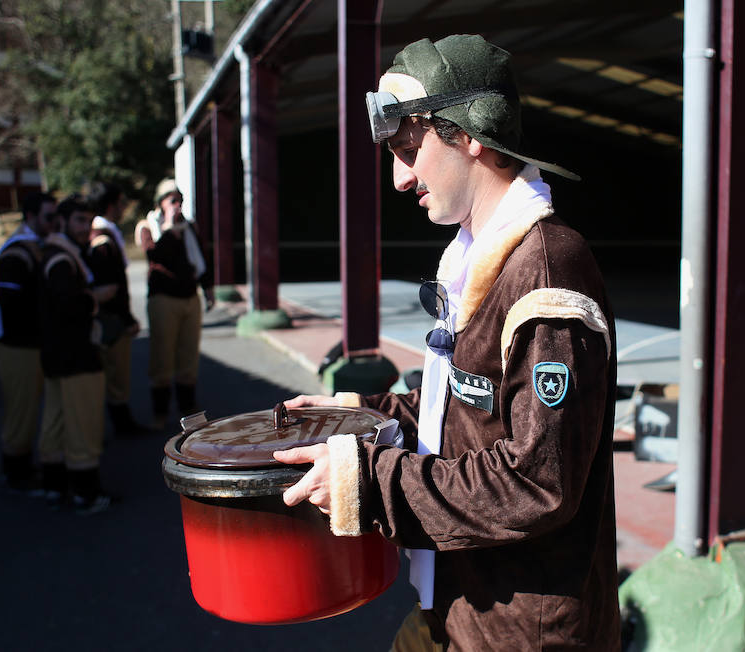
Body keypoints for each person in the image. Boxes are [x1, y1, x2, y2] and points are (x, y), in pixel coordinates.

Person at [273, 35, 621, 650]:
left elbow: (537, 483)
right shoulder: (474, 254)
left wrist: (368, 480)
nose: (400, 179)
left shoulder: (546, 271)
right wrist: (359, 416)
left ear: (471, 135)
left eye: (409, 149)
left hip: (521, 632)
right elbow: (464, 412)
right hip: (459, 601)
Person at [0, 191, 57, 492]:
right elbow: (11, 304)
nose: (54, 223)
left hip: (25, 343)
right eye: (49, 217)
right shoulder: (17, 253)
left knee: (26, 404)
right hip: (15, 344)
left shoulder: (32, 247)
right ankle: (15, 469)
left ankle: (19, 464)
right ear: (31, 217)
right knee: (21, 407)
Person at [38, 193, 114, 515]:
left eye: (88, 220)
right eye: (79, 220)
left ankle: (53, 486)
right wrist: (93, 298)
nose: (85, 227)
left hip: (58, 354)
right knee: (83, 425)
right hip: (76, 355)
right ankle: (86, 493)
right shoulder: (61, 259)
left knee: (55, 421)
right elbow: (69, 305)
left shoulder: (60, 253)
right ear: (63, 222)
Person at [135, 179, 214, 429]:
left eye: (180, 200)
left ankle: (188, 409)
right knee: (162, 357)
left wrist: (208, 287)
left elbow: (200, 256)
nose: (178, 205)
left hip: (189, 297)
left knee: (188, 356)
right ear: (160, 203)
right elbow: (155, 256)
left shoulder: (189, 227)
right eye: (172, 200)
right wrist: (169, 229)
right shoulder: (149, 227)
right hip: (163, 299)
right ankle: (160, 414)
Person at [88, 181, 148, 436]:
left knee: (113, 376)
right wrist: (126, 318)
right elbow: (110, 287)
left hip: (109, 317)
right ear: (112, 205)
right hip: (112, 320)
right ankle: (121, 426)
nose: (125, 208)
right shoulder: (102, 238)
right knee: (116, 377)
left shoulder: (102, 233)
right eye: (122, 203)